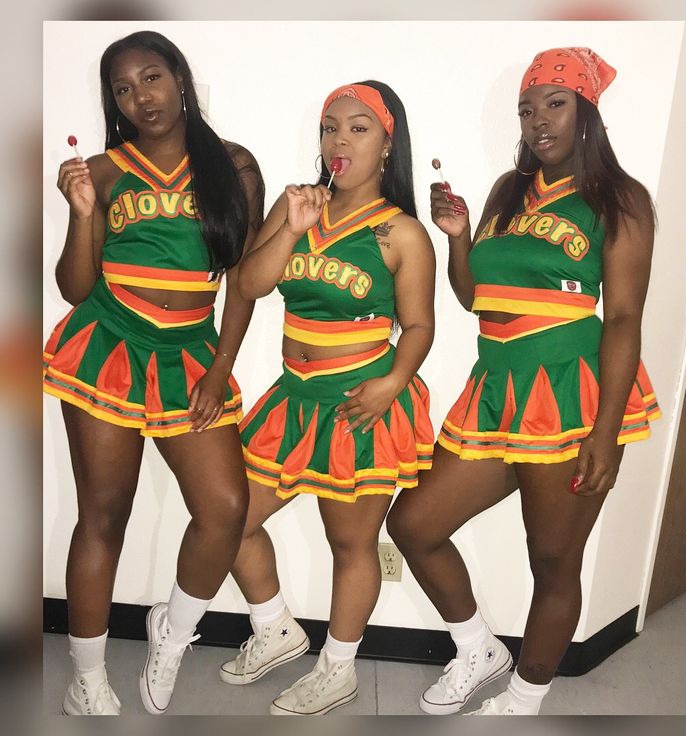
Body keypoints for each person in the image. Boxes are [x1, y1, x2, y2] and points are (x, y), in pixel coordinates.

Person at [386, 47, 661, 716]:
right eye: (527, 109)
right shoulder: (510, 190)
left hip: (572, 392)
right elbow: (475, 295)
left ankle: (524, 700)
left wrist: (604, 431)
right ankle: (477, 646)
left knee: (552, 560)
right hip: (498, 389)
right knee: (414, 523)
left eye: (555, 105)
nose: (538, 121)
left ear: (587, 112)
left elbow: (623, 318)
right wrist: (456, 238)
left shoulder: (620, 198)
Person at [43, 30, 264, 715]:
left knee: (225, 508)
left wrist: (220, 367)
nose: (142, 97)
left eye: (152, 78)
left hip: (190, 354)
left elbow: (243, 280)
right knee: (104, 514)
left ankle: (173, 631)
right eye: (123, 88)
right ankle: (87, 676)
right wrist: (81, 215)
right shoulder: (105, 173)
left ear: (181, 79)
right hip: (107, 346)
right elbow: (75, 287)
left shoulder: (233, 165)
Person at [218, 81, 435, 715]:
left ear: (387, 141)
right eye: (329, 127)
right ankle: (276, 626)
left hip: (359, 403)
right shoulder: (295, 206)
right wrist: (290, 225)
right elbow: (250, 283)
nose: (339, 141)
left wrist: (393, 382)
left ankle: (337, 667)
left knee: (350, 544)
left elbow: (419, 327)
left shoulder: (401, 233)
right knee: (227, 519)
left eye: (358, 128)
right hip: (292, 399)